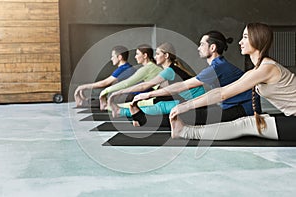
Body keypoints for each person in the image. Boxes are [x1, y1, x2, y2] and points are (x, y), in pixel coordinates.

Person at [170, 23, 296, 141]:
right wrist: (186, 105)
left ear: (257, 39)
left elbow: (222, 94)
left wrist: (185, 106)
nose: (240, 42)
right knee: (250, 121)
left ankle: (184, 132)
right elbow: (221, 91)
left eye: (245, 37)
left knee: (247, 124)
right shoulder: (257, 70)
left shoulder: (267, 68)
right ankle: (183, 131)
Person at [132, 31, 260, 126]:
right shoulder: (218, 65)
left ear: (213, 47)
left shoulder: (218, 67)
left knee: (186, 115)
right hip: (232, 106)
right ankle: (143, 119)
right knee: (193, 111)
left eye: (202, 44)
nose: (198, 48)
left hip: (244, 109)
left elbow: (182, 86)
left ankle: (143, 120)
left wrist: (149, 94)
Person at [108, 42, 205, 126]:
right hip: (192, 100)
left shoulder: (169, 70)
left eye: (158, 54)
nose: (155, 57)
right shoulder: (171, 68)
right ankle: (122, 112)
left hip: (196, 103)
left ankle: (121, 112)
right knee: (161, 104)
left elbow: (145, 86)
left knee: (160, 106)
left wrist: (120, 91)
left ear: (166, 55)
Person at [99, 44, 162, 110]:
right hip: (152, 94)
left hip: (153, 96)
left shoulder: (147, 68)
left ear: (145, 55)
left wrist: (105, 91)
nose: (135, 57)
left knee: (114, 98)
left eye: (137, 54)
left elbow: (127, 83)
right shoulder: (152, 66)